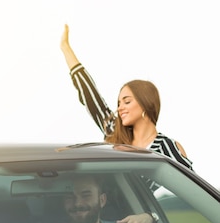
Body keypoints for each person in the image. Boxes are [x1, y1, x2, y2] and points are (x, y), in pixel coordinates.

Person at [60, 24, 193, 170]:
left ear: (145, 104)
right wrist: (66, 48)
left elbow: (192, 187)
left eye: (127, 101)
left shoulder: (167, 147)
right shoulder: (115, 132)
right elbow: (90, 96)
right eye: (118, 103)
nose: (120, 108)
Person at [37, 175, 157, 223]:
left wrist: (150, 218)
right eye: (70, 197)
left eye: (86, 195)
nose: (78, 203)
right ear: (63, 203)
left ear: (102, 200)